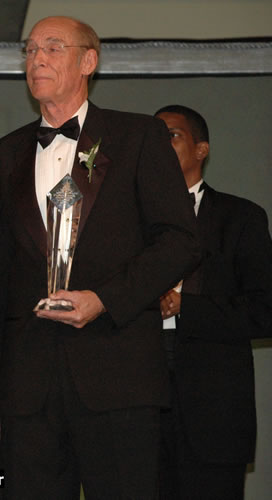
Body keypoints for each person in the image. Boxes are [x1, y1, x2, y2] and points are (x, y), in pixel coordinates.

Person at [0, 16, 200, 499]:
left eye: (53, 48)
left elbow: (181, 240)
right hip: (29, 384)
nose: (37, 59)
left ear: (88, 61)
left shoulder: (139, 137)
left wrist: (105, 298)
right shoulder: (1, 155)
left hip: (118, 374)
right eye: (31, 49)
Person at [154, 105, 272, 500]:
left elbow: (264, 309)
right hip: (141, 398)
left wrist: (185, 305)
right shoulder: (128, 222)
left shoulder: (241, 217)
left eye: (172, 135)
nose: (160, 144)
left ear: (201, 149)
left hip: (214, 402)